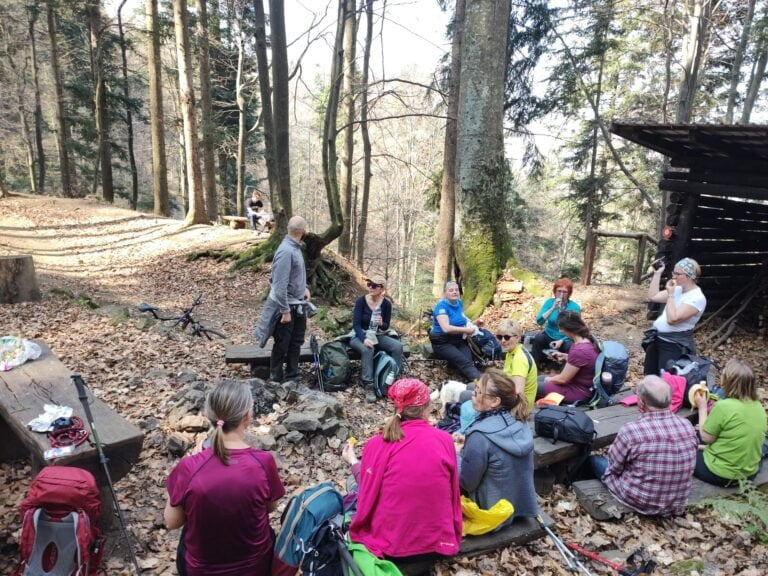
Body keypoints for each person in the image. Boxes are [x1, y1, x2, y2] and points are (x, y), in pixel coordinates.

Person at [164, 381, 285, 576]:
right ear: (247, 416)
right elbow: (270, 507)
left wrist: (186, 465)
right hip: (256, 567)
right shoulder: (264, 462)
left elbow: (171, 522)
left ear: (210, 416)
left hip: (201, 570)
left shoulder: (189, 467)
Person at [342, 379, 462, 574]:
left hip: (392, 546)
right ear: (427, 408)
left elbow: (368, 492)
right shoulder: (445, 439)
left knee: (354, 487)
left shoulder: (376, 444)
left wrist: (353, 462)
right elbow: (451, 492)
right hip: (437, 543)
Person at [586, 375, 698, 516]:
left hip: (641, 500)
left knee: (594, 460)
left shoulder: (631, 431)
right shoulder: (687, 425)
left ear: (641, 403)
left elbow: (614, 468)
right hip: (676, 501)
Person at [458, 369, 538, 526]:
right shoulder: (520, 420)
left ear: (495, 401)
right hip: (522, 504)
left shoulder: (479, 436)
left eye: (478, 391)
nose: (473, 394)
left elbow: (467, 483)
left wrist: (458, 453)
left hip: (492, 511)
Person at [254, 216, 311, 383]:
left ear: (288, 228)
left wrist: (304, 287)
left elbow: (295, 275)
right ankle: (276, 377)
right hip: (286, 308)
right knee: (282, 344)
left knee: (296, 342)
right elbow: (279, 286)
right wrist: (285, 311)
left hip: (298, 304)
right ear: (303, 231)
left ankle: (293, 375)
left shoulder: (295, 248)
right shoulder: (286, 251)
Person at [694, 359, 767, 487]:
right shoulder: (758, 407)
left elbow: (706, 438)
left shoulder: (723, 406)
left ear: (727, 381)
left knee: (684, 455)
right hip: (749, 473)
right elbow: (733, 439)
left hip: (721, 474)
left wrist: (702, 407)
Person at [643, 257, 706, 375]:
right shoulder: (678, 289)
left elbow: (673, 319)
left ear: (689, 276)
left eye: (678, 274)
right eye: (673, 272)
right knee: (650, 377)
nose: (674, 276)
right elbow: (653, 296)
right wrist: (657, 274)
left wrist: (671, 295)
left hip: (673, 346)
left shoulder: (697, 298)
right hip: (657, 339)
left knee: (666, 381)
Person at [348, 274, 403, 403]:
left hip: (377, 335)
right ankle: (369, 384)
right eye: (369, 285)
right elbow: (355, 325)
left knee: (397, 346)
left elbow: (385, 327)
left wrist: (381, 323)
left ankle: (392, 378)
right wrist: (363, 339)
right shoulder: (361, 301)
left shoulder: (386, 304)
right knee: (368, 349)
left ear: (382, 288)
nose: (370, 288)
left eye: (373, 286)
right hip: (359, 335)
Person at [537, 311, 599, 405]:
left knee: (533, 386)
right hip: (581, 385)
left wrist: (549, 380)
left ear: (568, 328)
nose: (560, 331)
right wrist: (566, 356)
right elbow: (582, 362)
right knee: (538, 378)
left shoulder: (579, 350)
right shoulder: (586, 340)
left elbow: (562, 379)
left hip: (579, 392)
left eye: (561, 329)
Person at [429, 281, 482, 382]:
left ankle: (469, 384)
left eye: (456, 290)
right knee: (464, 362)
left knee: (469, 362)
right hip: (442, 341)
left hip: (458, 339)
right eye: (451, 290)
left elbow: (462, 320)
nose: (454, 292)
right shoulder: (441, 307)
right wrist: (467, 330)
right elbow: (446, 328)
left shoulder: (459, 303)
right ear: (445, 293)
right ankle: (482, 383)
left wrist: (474, 323)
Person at [532, 278, 581, 367]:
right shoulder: (549, 303)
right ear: (555, 292)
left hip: (565, 338)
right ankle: (536, 366)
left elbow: (576, 329)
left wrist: (562, 340)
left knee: (570, 346)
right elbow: (539, 321)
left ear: (569, 293)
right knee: (538, 338)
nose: (561, 294)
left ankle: (565, 369)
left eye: (564, 292)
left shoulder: (574, 307)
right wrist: (552, 308)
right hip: (549, 335)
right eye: (559, 291)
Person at [495, 319, 537, 409]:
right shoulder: (512, 351)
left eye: (507, 337)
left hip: (519, 408)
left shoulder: (519, 359)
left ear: (518, 337)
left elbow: (517, 394)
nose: (502, 340)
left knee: (466, 396)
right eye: (499, 337)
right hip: (510, 395)